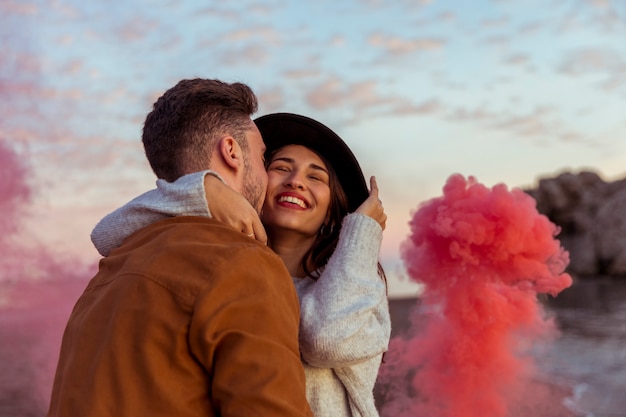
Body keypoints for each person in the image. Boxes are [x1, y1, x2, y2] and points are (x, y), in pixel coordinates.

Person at [91, 113, 392, 417]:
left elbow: (324, 340)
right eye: (280, 168)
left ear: (332, 211)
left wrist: (363, 230)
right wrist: (205, 192)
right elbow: (106, 234)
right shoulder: (231, 270)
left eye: (315, 177)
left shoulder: (360, 284)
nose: (295, 181)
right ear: (259, 181)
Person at [47, 80, 313, 417]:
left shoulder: (108, 274)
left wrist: (202, 190)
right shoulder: (242, 264)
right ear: (231, 152)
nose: (266, 173)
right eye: (262, 157)